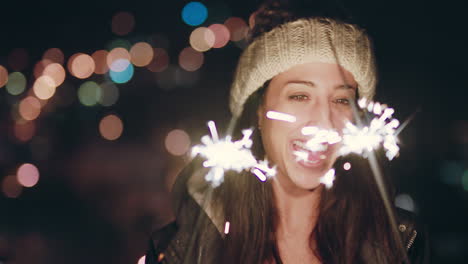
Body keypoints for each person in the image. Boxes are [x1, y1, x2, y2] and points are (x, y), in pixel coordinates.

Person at [146, 0, 430, 263]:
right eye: (299, 96)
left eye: (341, 100)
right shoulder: (181, 250)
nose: (324, 122)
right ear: (259, 110)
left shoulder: (398, 243)